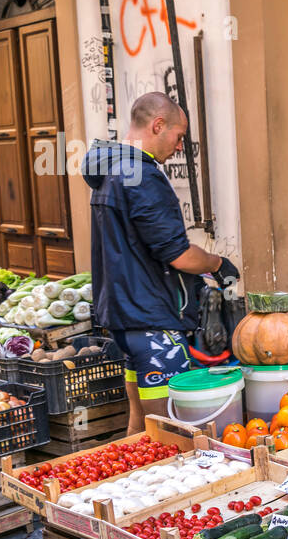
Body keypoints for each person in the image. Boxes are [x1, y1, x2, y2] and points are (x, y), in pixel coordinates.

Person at [82, 92, 239, 434]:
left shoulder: (112, 170)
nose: (179, 146)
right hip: (153, 323)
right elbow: (178, 254)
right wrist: (217, 262)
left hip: (127, 319)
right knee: (167, 432)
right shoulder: (142, 177)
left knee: (140, 425)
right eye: (179, 136)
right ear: (158, 125)